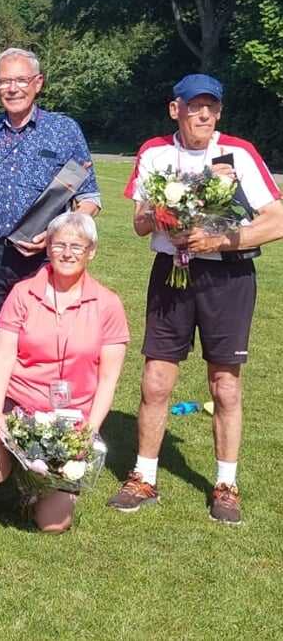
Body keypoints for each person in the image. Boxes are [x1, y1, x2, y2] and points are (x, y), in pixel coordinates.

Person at [108, 74, 283, 525]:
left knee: (224, 383)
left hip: (228, 277)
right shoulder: (154, 152)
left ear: (219, 113)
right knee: (156, 380)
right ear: (176, 109)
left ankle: (226, 484)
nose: (203, 114)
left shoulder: (238, 153)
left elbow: (277, 220)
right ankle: (144, 477)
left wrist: (219, 239)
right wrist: (162, 213)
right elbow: (139, 223)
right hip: (171, 272)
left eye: (211, 107)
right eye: (194, 106)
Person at [0, 47, 101, 422]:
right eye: (4, 81)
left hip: (47, 260)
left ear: (38, 83)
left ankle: (40, 443)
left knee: (43, 352)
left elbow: (89, 198)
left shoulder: (64, 130)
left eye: (21, 80)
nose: (13, 88)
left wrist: (57, 239)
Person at [0, 212, 128, 532]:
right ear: (47, 247)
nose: (67, 253)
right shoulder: (23, 293)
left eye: (77, 247)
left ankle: (36, 486)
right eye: (59, 244)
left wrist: (90, 430)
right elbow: (3, 356)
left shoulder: (108, 304)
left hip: (71, 415)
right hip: (20, 404)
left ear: (91, 251)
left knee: (53, 524)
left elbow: (108, 379)